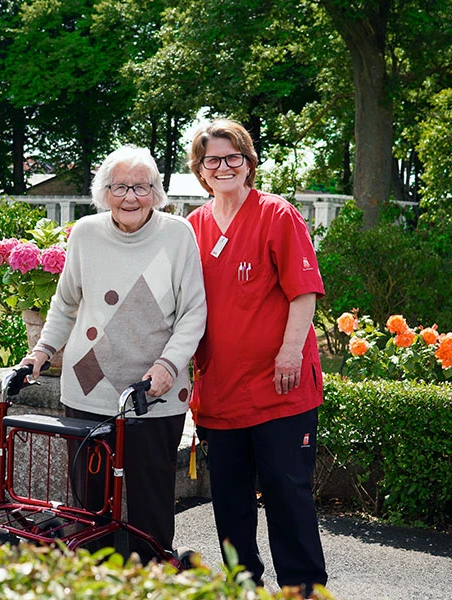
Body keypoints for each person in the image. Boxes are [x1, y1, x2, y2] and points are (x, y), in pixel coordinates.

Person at [19, 145, 206, 562]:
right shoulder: (86, 232)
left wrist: (167, 367)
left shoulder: (178, 235)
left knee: (151, 509)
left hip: (154, 397)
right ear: (104, 192)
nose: (130, 197)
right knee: (90, 508)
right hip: (88, 392)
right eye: (119, 187)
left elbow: (194, 312)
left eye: (141, 187)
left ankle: (154, 580)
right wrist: (42, 351)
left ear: (156, 191)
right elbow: (65, 303)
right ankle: (94, 580)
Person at [186, 119, 328, 595]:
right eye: (213, 160)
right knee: (229, 499)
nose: (223, 167)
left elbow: (303, 291)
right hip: (221, 390)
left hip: (279, 387)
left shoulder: (277, 214)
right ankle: (243, 584)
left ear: (248, 163)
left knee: (287, 493)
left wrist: (290, 353)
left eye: (233, 158)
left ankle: (303, 587)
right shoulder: (194, 226)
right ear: (201, 171)